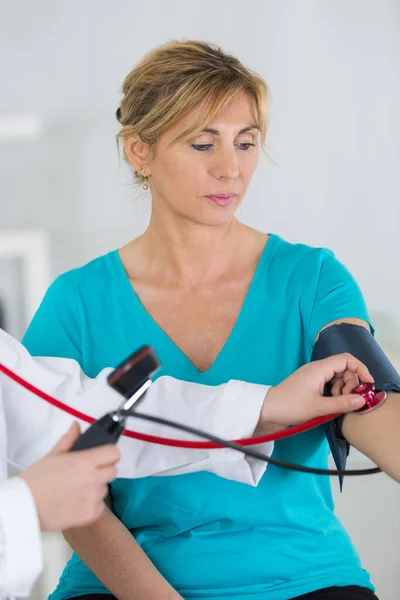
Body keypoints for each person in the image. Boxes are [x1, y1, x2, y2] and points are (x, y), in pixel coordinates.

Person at [21, 41, 400, 600]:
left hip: (301, 578)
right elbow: (61, 476)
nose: (231, 168)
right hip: (122, 584)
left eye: (246, 143)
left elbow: (366, 402)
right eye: (204, 144)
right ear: (139, 151)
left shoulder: (312, 277)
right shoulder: (75, 302)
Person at [0, 326, 372, 599]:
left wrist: (266, 405)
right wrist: (25, 507)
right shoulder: (75, 298)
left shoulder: (313, 274)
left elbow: (67, 410)